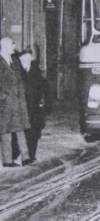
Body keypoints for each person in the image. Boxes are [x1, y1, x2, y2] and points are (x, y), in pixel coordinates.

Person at [11, 49, 48, 165]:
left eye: (29, 58)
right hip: (20, 106)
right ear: (20, 60)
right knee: (18, 131)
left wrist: (42, 104)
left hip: (34, 108)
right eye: (25, 58)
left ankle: (31, 155)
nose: (27, 61)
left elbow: (44, 89)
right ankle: (16, 154)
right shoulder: (16, 71)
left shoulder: (36, 72)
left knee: (33, 132)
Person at [0, 37, 30, 167]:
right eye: (12, 43)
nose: (14, 46)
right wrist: (3, 96)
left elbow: (20, 79)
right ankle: (7, 160)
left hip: (17, 102)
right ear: (5, 46)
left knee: (20, 129)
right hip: (5, 103)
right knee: (5, 131)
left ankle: (26, 158)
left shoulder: (15, 61)